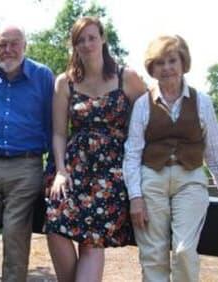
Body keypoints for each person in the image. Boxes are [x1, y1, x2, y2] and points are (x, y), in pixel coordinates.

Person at [122, 34, 218, 282]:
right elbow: (133, 153)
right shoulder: (143, 104)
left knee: (184, 250)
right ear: (152, 68)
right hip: (152, 178)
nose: (167, 68)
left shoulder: (202, 101)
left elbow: (213, 149)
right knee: (153, 255)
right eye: (160, 63)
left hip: (189, 178)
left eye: (172, 60)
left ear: (183, 63)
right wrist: (135, 197)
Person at [44, 17, 146, 282]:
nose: (87, 44)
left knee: (91, 240)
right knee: (55, 227)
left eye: (91, 37)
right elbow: (58, 132)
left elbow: (149, 120)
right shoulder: (64, 82)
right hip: (73, 166)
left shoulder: (127, 78)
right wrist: (60, 171)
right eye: (80, 40)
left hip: (111, 170)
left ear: (102, 39)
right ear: (74, 46)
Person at [0, 24, 54, 282]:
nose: (8, 50)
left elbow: (51, 125)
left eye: (14, 43)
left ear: (24, 45)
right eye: (1, 44)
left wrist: (51, 170)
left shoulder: (43, 76)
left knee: (16, 233)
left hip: (26, 167)